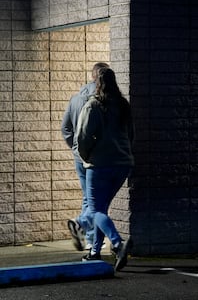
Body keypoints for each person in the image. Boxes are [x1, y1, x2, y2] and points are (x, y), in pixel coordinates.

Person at [74, 66, 134, 271]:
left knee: (95, 209)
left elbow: (82, 136)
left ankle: (118, 244)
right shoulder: (123, 105)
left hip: (99, 165)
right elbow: (131, 135)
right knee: (102, 209)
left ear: (97, 83)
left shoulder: (93, 105)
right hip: (122, 164)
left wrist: (86, 157)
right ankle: (95, 252)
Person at [61, 62, 109, 251]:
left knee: (88, 197)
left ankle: (89, 238)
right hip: (96, 157)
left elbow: (65, 128)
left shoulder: (75, 99)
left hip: (79, 157)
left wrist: (76, 148)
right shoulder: (102, 99)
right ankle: (83, 226)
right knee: (97, 198)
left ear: (92, 76)